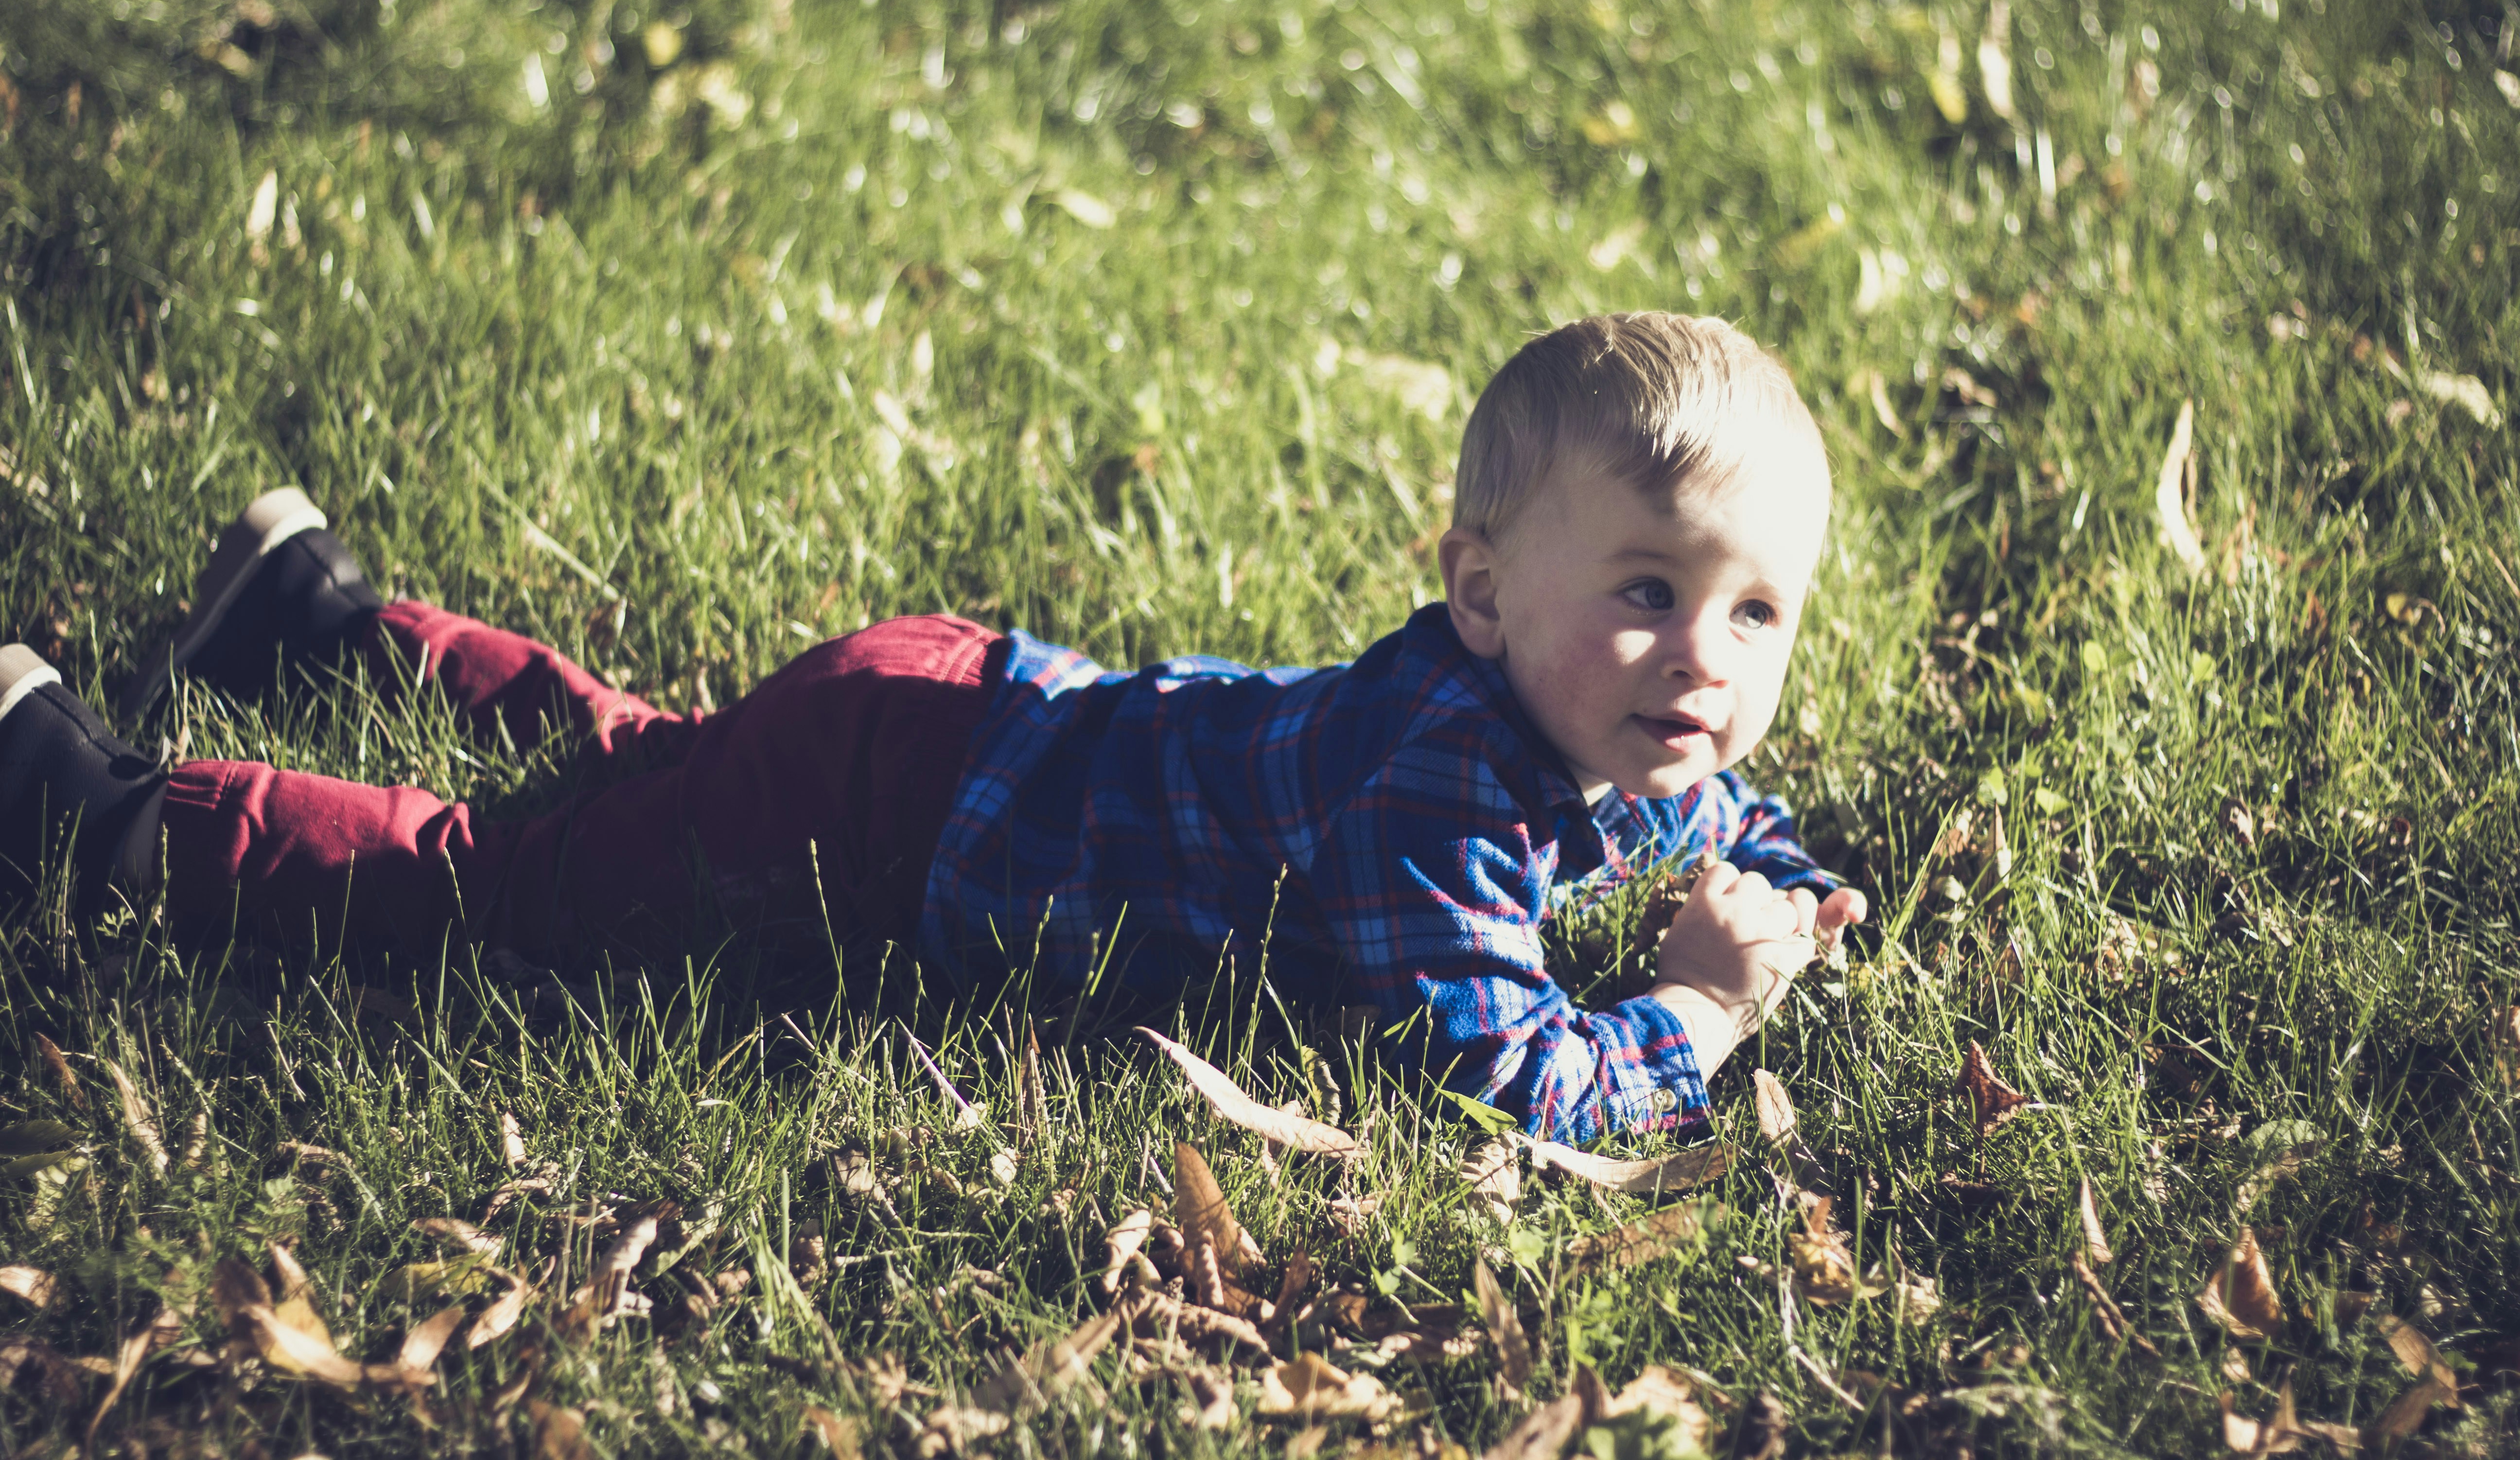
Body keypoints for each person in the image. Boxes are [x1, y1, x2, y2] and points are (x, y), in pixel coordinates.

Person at [0, 312, 1865, 1141]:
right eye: (1646, 592)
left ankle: (315, 620)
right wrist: (1695, 1010)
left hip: (963, 703)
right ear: (1480, 596)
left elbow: (1699, 808)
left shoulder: (1599, 724)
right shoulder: (1440, 798)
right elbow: (1506, 1082)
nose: (1701, 657)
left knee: (659, 755)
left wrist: (1780, 876)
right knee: (528, 891)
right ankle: (106, 813)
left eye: (1754, 610)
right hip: (894, 814)